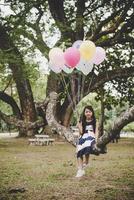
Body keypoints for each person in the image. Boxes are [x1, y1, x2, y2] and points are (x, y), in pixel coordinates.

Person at [75, 105, 98, 178]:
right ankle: (80, 169)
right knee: (79, 149)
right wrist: (79, 126)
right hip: (84, 136)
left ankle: (86, 162)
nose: (88, 113)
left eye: (89, 112)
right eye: (86, 112)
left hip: (91, 136)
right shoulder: (82, 121)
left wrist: (96, 139)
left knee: (87, 145)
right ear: (84, 113)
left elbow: (96, 131)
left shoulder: (95, 121)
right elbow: (81, 132)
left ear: (92, 113)